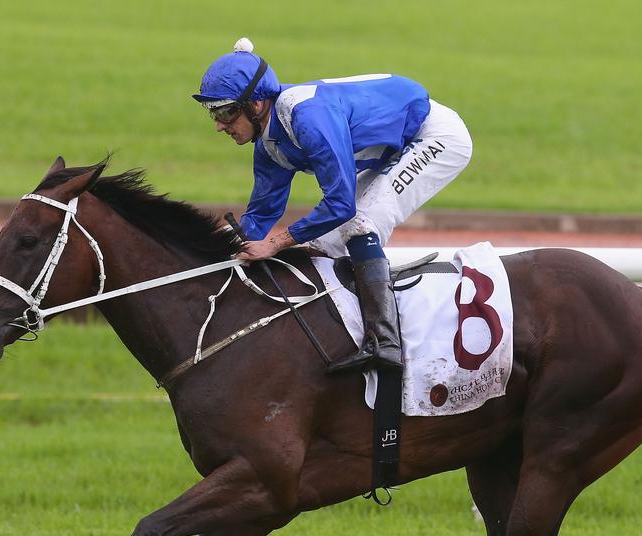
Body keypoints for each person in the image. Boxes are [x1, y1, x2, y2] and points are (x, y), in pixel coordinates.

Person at [193, 38, 473, 372]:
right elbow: (262, 214)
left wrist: (275, 243)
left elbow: (341, 205)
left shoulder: (308, 119)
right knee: (324, 242)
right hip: (395, 142)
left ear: (256, 104)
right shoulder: (268, 144)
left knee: (360, 223)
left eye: (226, 111)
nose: (219, 125)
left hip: (434, 137)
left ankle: (385, 343)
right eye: (213, 112)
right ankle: (342, 333)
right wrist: (212, 252)